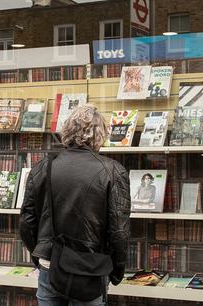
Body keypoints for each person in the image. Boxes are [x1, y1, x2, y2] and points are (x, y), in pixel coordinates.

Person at [19, 104, 131, 306]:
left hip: (50, 266)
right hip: (90, 269)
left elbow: (27, 221)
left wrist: (41, 255)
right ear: (100, 134)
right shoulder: (114, 171)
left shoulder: (44, 166)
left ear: (68, 130)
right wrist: (116, 272)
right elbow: (119, 232)